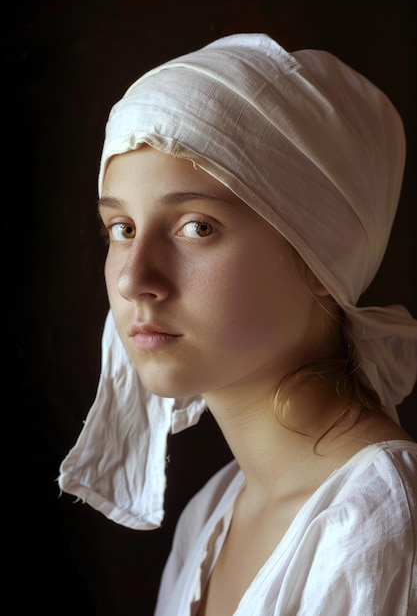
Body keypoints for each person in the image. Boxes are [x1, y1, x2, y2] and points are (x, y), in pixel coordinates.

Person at [59, 33, 417, 615]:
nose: (133, 279)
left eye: (196, 226)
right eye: (121, 228)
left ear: (320, 253)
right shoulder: (213, 515)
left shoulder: (380, 525)